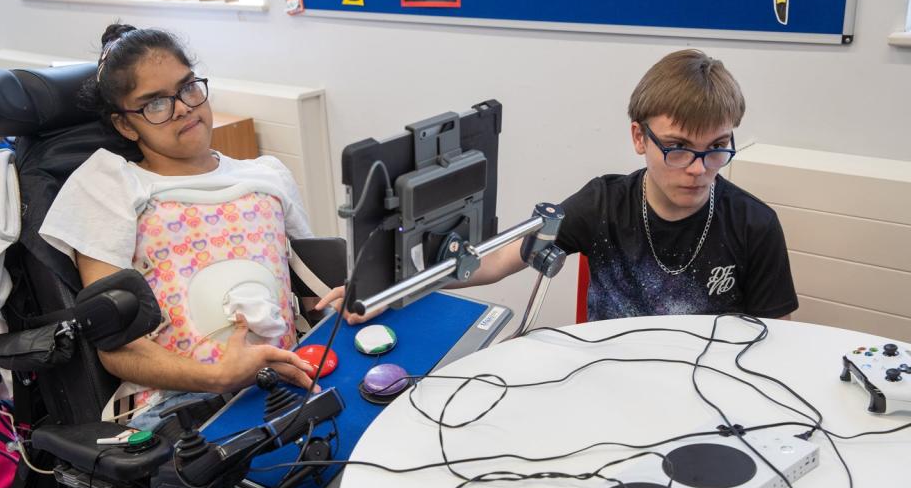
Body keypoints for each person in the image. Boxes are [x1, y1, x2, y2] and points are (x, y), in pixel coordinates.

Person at [40, 23, 350, 488]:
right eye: (153, 103)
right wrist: (216, 376)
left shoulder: (265, 176)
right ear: (123, 123)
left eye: (188, 88)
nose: (183, 109)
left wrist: (332, 302)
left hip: (288, 380)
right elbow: (119, 351)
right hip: (187, 411)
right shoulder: (109, 187)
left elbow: (307, 290)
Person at [320, 49, 799, 323]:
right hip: (608, 385)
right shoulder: (603, 205)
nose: (698, 168)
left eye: (716, 147)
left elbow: (775, 342)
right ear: (639, 137)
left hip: (707, 397)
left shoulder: (755, 225)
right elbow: (498, 259)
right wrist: (388, 288)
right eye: (677, 147)